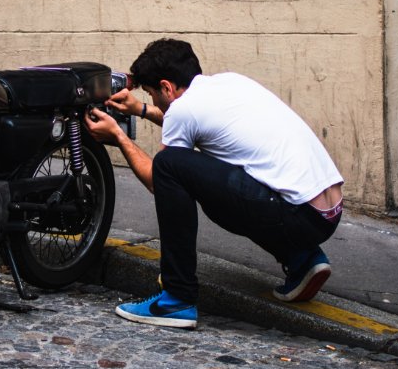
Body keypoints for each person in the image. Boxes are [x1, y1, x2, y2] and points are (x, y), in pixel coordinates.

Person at [84, 39, 344, 329]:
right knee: (216, 195)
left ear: (167, 88)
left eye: (153, 94)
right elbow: (187, 120)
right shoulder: (228, 83)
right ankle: (302, 258)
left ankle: (176, 298)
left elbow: (159, 181)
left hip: (298, 215)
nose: (154, 102)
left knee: (169, 166)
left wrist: (120, 138)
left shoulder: (184, 111)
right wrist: (141, 109)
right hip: (325, 211)